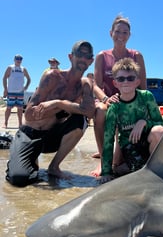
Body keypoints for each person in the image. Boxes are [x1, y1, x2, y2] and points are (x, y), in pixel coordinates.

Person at [6, 40, 96, 187]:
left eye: (87, 56)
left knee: (80, 119)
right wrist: (61, 109)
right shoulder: (52, 76)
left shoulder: (85, 84)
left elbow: (89, 112)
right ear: (70, 57)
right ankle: (26, 158)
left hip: (52, 136)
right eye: (79, 54)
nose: (83, 59)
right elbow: (28, 114)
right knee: (19, 179)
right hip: (30, 134)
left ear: (91, 61)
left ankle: (54, 167)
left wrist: (57, 103)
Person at [91, 14, 147, 176]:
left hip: (130, 102)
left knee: (119, 163)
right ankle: (103, 159)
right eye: (117, 32)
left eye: (125, 32)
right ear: (111, 33)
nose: (121, 36)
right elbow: (95, 84)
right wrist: (105, 99)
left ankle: (117, 155)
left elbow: (143, 86)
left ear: (129, 35)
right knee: (100, 111)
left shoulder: (136, 56)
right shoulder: (102, 56)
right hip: (109, 101)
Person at [98, 57, 163, 184]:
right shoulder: (114, 108)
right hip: (129, 145)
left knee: (159, 131)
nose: (126, 82)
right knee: (140, 173)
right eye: (121, 79)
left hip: (148, 141)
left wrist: (144, 122)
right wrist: (106, 172)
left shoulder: (146, 97)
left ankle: (159, 164)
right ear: (115, 83)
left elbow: (160, 123)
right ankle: (123, 167)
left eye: (130, 78)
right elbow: (108, 140)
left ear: (137, 81)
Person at [2, 54, 31, 128]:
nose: (19, 60)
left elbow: (29, 79)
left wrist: (26, 87)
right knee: (9, 108)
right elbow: (4, 78)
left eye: (20, 59)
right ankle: (5, 123)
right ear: (14, 59)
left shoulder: (23, 69)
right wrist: (5, 89)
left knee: (20, 108)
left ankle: (20, 124)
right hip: (11, 91)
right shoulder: (10, 67)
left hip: (20, 92)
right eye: (17, 58)